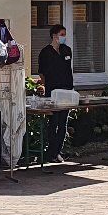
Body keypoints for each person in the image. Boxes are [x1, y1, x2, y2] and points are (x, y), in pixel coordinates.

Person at [38, 24, 74, 163]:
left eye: (65, 34)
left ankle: (58, 151)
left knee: (63, 123)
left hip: (66, 90)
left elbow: (68, 69)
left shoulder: (67, 50)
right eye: (62, 34)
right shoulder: (45, 52)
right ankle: (51, 152)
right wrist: (46, 85)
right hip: (53, 91)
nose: (64, 37)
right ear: (54, 35)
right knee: (54, 122)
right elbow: (42, 72)